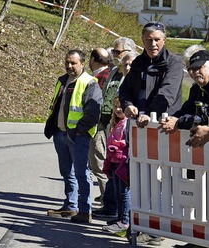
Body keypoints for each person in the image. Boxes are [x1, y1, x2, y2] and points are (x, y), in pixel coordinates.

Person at [44, 49, 103, 224]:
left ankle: (85, 211)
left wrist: (78, 131)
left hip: (78, 136)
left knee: (81, 173)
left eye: (73, 63)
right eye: (67, 62)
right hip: (60, 133)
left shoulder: (90, 83)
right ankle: (70, 206)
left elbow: (93, 113)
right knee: (66, 172)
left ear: (83, 63)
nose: (69, 66)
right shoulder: (62, 80)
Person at [93, 38, 137, 219]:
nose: (114, 55)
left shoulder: (134, 72)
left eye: (117, 52)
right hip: (108, 122)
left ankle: (123, 214)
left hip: (125, 125)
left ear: (128, 51)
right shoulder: (114, 71)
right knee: (109, 164)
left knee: (120, 168)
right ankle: (109, 204)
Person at [119, 22, 184, 128]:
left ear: (164, 40)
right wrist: (127, 105)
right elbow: (124, 89)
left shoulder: (174, 63)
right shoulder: (137, 62)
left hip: (164, 123)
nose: (153, 44)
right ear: (143, 41)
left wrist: (150, 115)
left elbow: (167, 93)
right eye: (149, 40)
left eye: (157, 40)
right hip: (137, 122)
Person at [160, 50, 209, 134]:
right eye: (190, 69)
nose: (193, 72)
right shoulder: (196, 88)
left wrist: (179, 122)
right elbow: (187, 110)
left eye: (198, 68)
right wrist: (170, 119)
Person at [101, 97, 131, 236]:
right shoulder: (117, 123)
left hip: (123, 162)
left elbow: (127, 142)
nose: (118, 109)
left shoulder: (127, 123)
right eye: (116, 106)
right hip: (115, 161)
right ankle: (120, 217)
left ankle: (125, 220)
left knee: (124, 193)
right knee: (118, 192)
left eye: (121, 107)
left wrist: (117, 146)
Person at [87, 48, 111, 211]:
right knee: (97, 164)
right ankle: (106, 198)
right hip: (97, 127)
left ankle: (108, 201)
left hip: (98, 127)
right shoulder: (104, 75)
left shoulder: (102, 78)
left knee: (99, 165)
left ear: (92, 59)